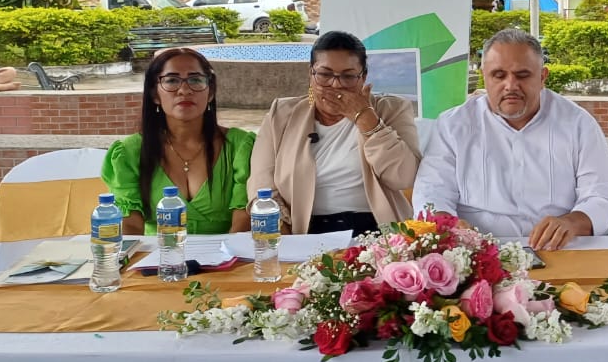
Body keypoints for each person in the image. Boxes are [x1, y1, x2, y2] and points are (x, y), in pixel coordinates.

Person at [413, 28, 608, 250]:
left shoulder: (578, 124)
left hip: (559, 248)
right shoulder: (454, 125)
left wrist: (572, 222)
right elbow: (432, 191)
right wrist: (449, 225)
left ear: (542, 77)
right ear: (484, 76)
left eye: (522, 75)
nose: (511, 85)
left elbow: (602, 194)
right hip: (476, 251)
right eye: (499, 75)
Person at [249, 31, 420, 235]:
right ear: (311, 74)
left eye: (348, 76)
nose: (336, 84)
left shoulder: (392, 109)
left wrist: (366, 119)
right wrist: (282, 230)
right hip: (305, 229)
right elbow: (262, 183)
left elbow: (403, 177)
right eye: (325, 74)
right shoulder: (281, 114)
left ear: (363, 77)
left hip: (375, 228)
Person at [102, 48, 256, 235]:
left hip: (227, 251)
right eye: (172, 81)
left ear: (210, 92)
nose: (184, 90)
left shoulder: (240, 146)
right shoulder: (129, 152)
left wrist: (225, 253)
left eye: (195, 80)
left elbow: (243, 220)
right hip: (158, 251)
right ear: (154, 94)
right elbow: (130, 226)